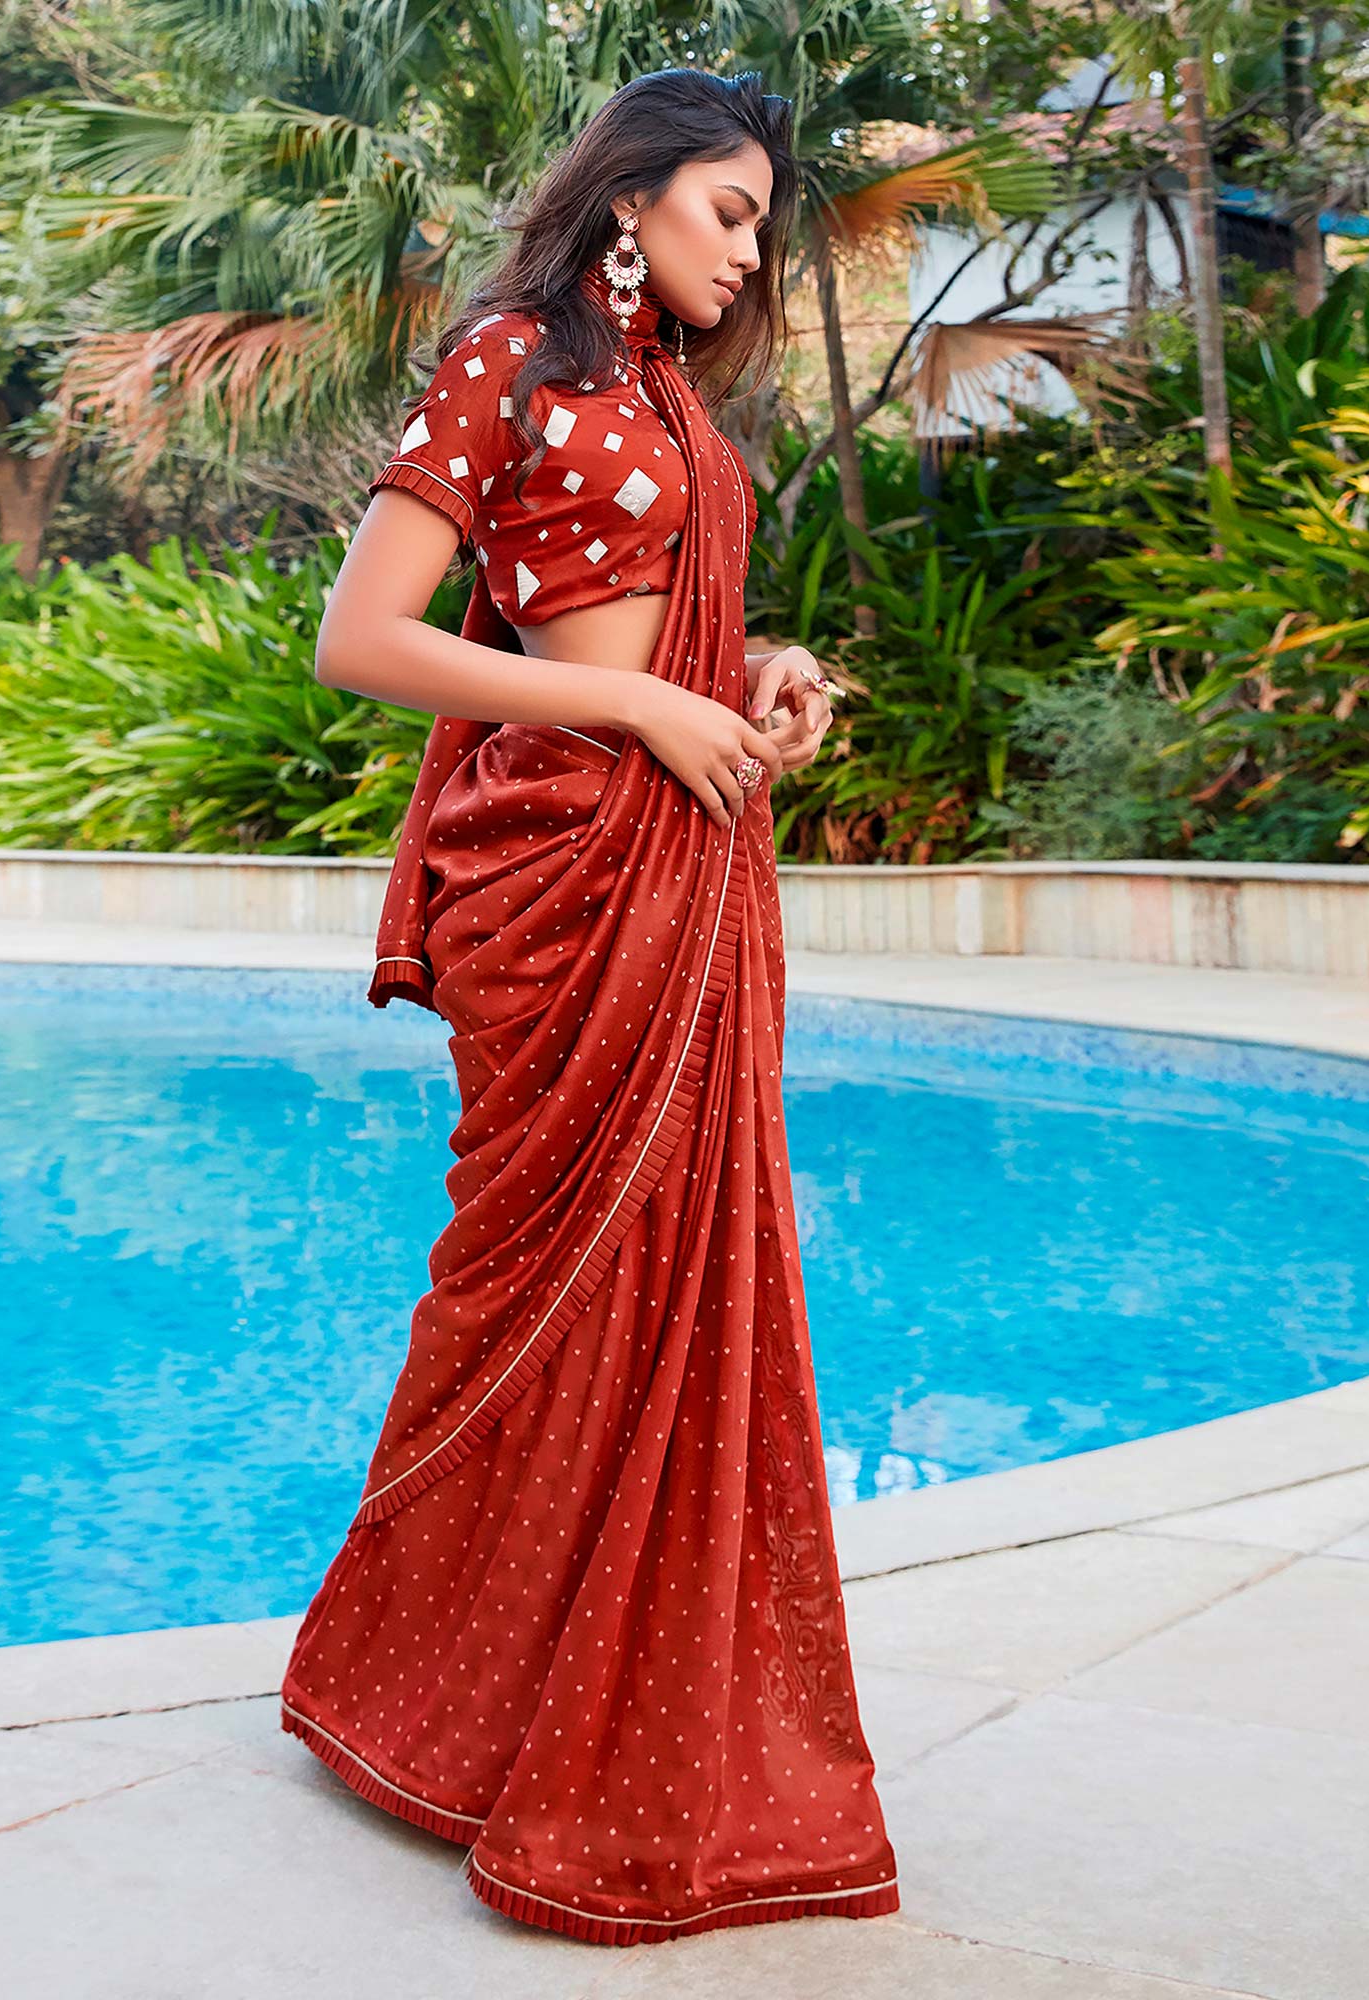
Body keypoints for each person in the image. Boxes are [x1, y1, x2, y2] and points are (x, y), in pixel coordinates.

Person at [279, 66, 900, 1946]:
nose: (751, 249)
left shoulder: (661, 403)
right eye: (727, 210)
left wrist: (755, 672)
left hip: (683, 873)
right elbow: (365, 637)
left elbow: (646, 629)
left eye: (766, 223)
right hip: (562, 885)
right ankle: (425, 1705)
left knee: (664, 1321)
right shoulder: (509, 362)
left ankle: (531, 1712)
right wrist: (640, 708)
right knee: (533, 1305)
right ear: (629, 201)